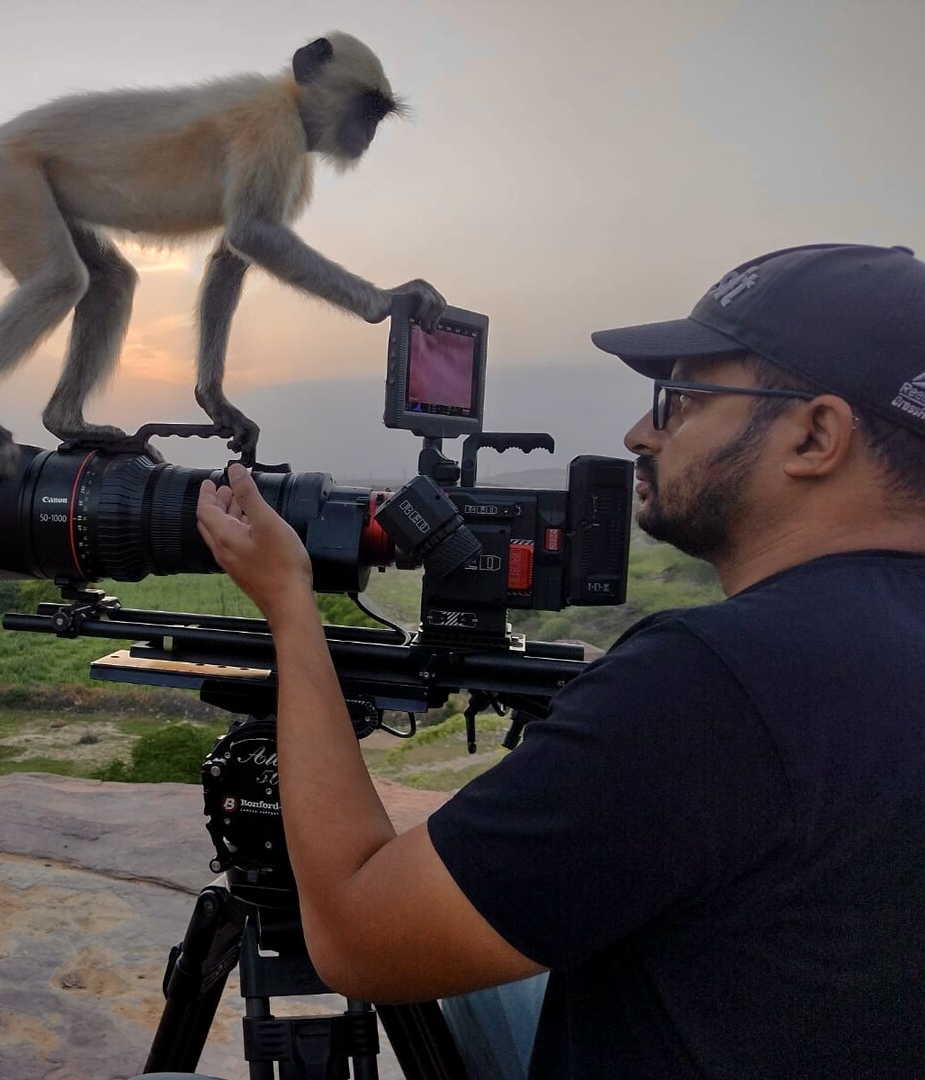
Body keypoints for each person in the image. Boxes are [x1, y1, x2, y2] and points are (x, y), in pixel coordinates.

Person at [191, 243, 925, 1078]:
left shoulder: (714, 683)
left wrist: (290, 607)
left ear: (815, 435)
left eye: (680, 400)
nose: (639, 433)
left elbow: (358, 940)